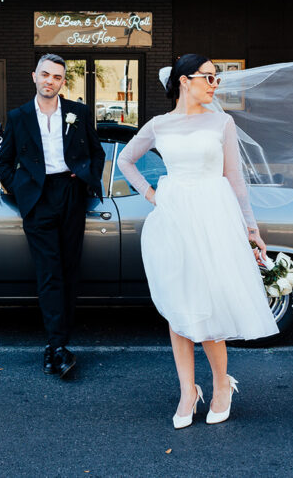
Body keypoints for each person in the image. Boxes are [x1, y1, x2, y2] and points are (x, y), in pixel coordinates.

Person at [116, 53, 279, 428]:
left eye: (216, 78)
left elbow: (235, 179)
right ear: (184, 80)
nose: (215, 84)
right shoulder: (159, 125)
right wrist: (150, 194)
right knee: (179, 305)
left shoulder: (223, 122)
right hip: (174, 218)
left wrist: (250, 228)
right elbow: (125, 161)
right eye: (208, 77)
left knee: (209, 303)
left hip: (214, 218)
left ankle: (222, 383)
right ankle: (188, 390)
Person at [0, 54, 106, 378]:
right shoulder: (19, 117)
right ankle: (56, 345)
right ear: (34, 76)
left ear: (62, 82)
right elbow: (4, 163)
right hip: (38, 197)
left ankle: (58, 343)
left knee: (71, 270)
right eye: (45, 74)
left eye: (57, 77)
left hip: (71, 194)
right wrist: (23, 188)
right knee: (49, 272)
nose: (50, 81)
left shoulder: (78, 112)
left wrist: (85, 176)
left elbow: (96, 153)